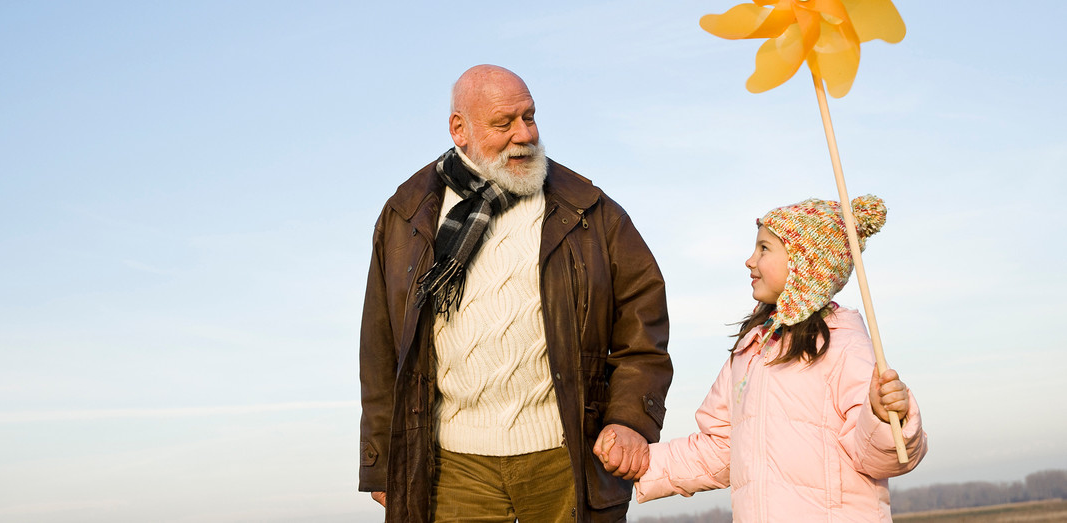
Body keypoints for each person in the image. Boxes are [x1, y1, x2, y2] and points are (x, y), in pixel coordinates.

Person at [358, 64, 673, 522]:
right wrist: (383, 461)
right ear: (459, 129)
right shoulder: (406, 215)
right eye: (503, 123)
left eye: (529, 117)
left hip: (566, 458)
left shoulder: (588, 208)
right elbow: (382, 347)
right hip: (453, 467)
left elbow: (643, 318)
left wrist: (629, 418)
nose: (523, 134)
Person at [596, 195, 927, 521]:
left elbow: (879, 458)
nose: (750, 260)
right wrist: (639, 462)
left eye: (764, 248)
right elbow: (722, 449)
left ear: (804, 264)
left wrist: (884, 419)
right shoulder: (751, 349)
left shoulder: (843, 343)